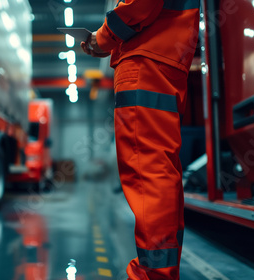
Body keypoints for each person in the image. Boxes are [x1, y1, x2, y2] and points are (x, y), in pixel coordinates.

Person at [80, 0, 200, 279]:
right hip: (162, 54)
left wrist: (102, 38)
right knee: (159, 167)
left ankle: (154, 275)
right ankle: (161, 270)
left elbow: (140, 3)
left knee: (147, 170)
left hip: (146, 58)